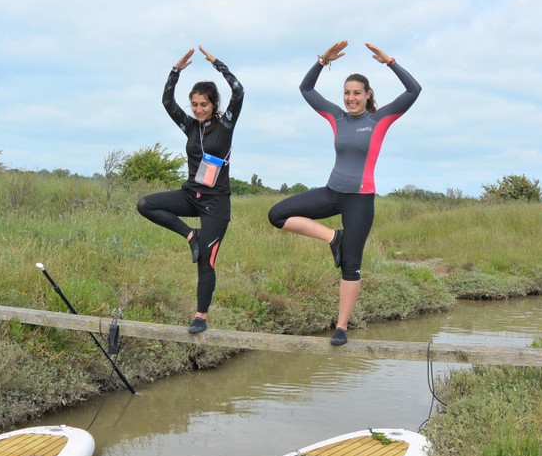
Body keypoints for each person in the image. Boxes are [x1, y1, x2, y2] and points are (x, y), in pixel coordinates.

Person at [268, 41, 421, 346]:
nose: (351, 98)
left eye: (357, 93)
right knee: (277, 214)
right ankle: (332, 238)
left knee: (351, 265)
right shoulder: (336, 117)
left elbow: (414, 91)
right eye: (347, 93)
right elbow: (307, 89)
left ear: (368, 95)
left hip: (360, 200)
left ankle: (341, 328)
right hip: (332, 192)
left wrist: (389, 62)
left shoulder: (380, 120)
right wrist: (322, 60)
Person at [137, 46, 244, 334]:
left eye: (203, 105)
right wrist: (175, 71)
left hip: (216, 204)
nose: (198, 109)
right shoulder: (189, 125)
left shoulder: (226, 124)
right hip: (190, 195)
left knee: (206, 261)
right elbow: (166, 102)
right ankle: (190, 234)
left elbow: (239, 91)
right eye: (194, 104)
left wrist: (217, 64)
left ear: (213, 104)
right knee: (145, 204)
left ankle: (200, 317)